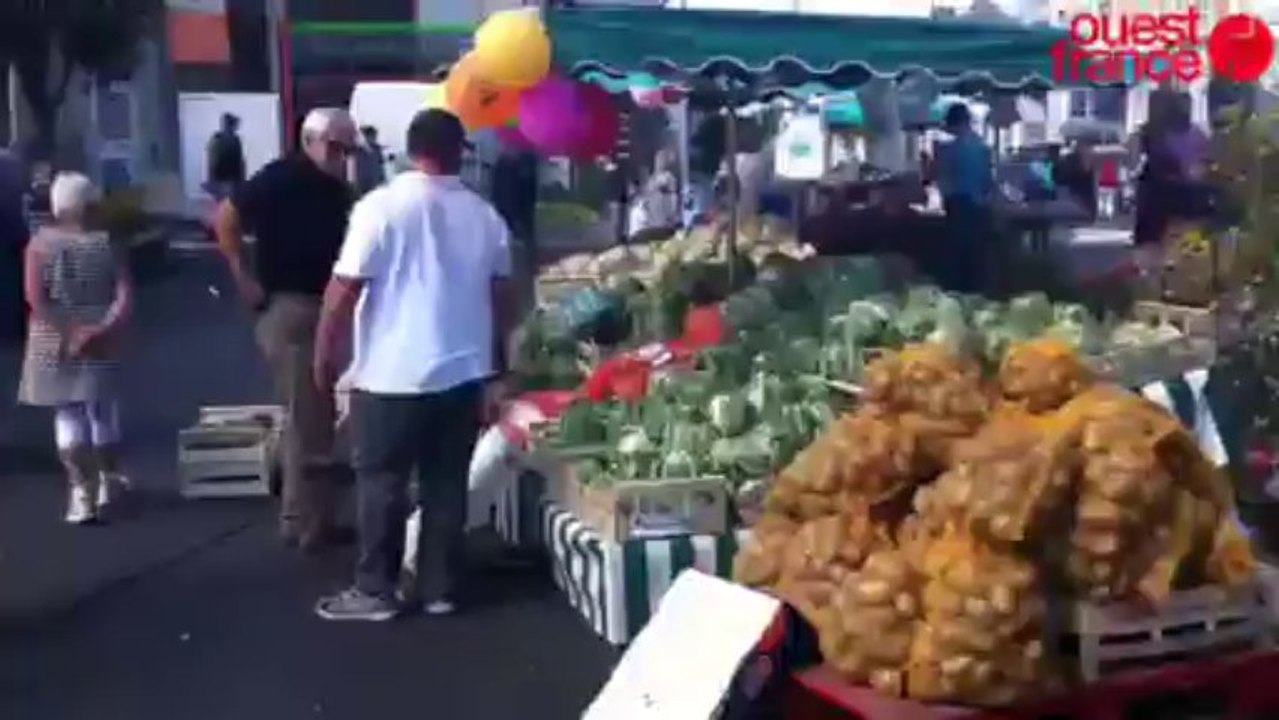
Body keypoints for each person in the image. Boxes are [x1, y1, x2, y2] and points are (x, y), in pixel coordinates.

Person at [311, 109, 512, 621]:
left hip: (390, 372)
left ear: (409, 148)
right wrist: (497, 367)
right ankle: (439, 588)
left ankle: (376, 590)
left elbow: (344, 287)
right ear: (459, 151)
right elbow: (501, 295)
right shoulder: (485, 216)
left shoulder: (380, 207)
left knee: (381, 480)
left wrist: (324, 353)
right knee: (446, 482)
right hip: (464, 371)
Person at [213, 108, 357, 552]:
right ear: (313, 141)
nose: (343, 157)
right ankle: (304, 520)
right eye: (337, 148)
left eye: (347, 149)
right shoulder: (279, 178)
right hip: (292, 304)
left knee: (315, 412)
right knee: (308, 414)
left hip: (319, 304)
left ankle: (313, 512)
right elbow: (226, 218)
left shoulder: (335, 188)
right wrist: (241, 275)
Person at [18, 173, 133, 524]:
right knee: (101, 412)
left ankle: (80, 491)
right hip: (100, 339)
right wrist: (101, 328)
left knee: (67, 415)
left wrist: (66, 332)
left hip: (52, 342)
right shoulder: (106, 243)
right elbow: (123, 293)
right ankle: (108, 483)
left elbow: (35, 298)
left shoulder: (38, 247)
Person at [935, 103, 995, 292]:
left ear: (955, 124)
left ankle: (957, 296)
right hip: (981, 208)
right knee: (977, 260)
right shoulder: (983, 148)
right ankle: (978, 297)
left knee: (957, 260)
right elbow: (988, 181)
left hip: (959, 207)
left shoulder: (949, 150)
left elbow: (943, 180)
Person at [206, 113, 246, 202]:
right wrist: (212, 180)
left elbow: (241, 161)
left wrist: (242, 180)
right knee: (224, 202)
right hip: (223, 178)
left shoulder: (236, 139)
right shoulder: (218, 139)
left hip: (232, 179)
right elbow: (212, 160)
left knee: (229, 202)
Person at [353, 125, 386, 196]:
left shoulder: (377, 150)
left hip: (374, 186)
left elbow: (381, 166)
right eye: (371, 135)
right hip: (360, 186)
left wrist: (382, 180)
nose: (373, 138)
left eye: (374, 136)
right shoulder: (357, 150)